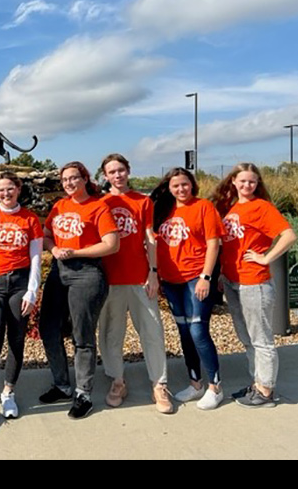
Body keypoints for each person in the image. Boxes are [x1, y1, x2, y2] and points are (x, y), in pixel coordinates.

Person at [39, 162, 119, 420]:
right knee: (48, 328)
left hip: (86, 271)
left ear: (85, 179)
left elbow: (111, 244)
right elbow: (46, 234)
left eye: (74, 178)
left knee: (82, 334)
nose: (69, 183)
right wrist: (53, 250)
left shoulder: (98, 206)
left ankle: (83, 393)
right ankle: (61, 384)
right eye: (65, 179)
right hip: (58, 271)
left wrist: (76, 252)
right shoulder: (60, 206)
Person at [212, 163, 296, 408]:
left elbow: (289, 235)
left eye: (252, 181)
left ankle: (267, 390)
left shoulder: (261, 207)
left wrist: (266, 257)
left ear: (257, 184)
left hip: (254, 281)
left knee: (261, 338)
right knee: (246, 337)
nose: (247, 185)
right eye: (243, 181)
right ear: (234, 182)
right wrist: (222, 275)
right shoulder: (232, 207)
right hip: (232, 280)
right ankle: (257, 383)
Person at [98, 154, 173, 414]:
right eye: (111, 172)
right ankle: (117, 380)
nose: (117, 175)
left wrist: (153, 272)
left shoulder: (143, 201)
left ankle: (159, 384)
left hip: (140, 277)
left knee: (152, 331)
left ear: (128, 171)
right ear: (105, 176)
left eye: (121, 170)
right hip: (110, 278)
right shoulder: (102, 203)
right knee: (111, 333)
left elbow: (150, 238)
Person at [0, 172, 43, 433]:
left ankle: (8, 392)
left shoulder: (30, 218)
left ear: (18, 188)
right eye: (1, 189)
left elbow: (36, 257)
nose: (6, 193)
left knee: (16, 342)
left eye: (10, 188)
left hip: (20, 284)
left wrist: (32, 292)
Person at [151, 168, 224, 410]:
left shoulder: (204, 207)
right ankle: (195, 384)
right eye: (176, 186)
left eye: (185, 184)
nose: (181, 189)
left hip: (196, 277)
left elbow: (214, 244)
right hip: (171, 280)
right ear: (169, 188)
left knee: (198, 331)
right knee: (184, 332)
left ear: (192, 185)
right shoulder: (163, 211)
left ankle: (215, 387)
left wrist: (206, 277)